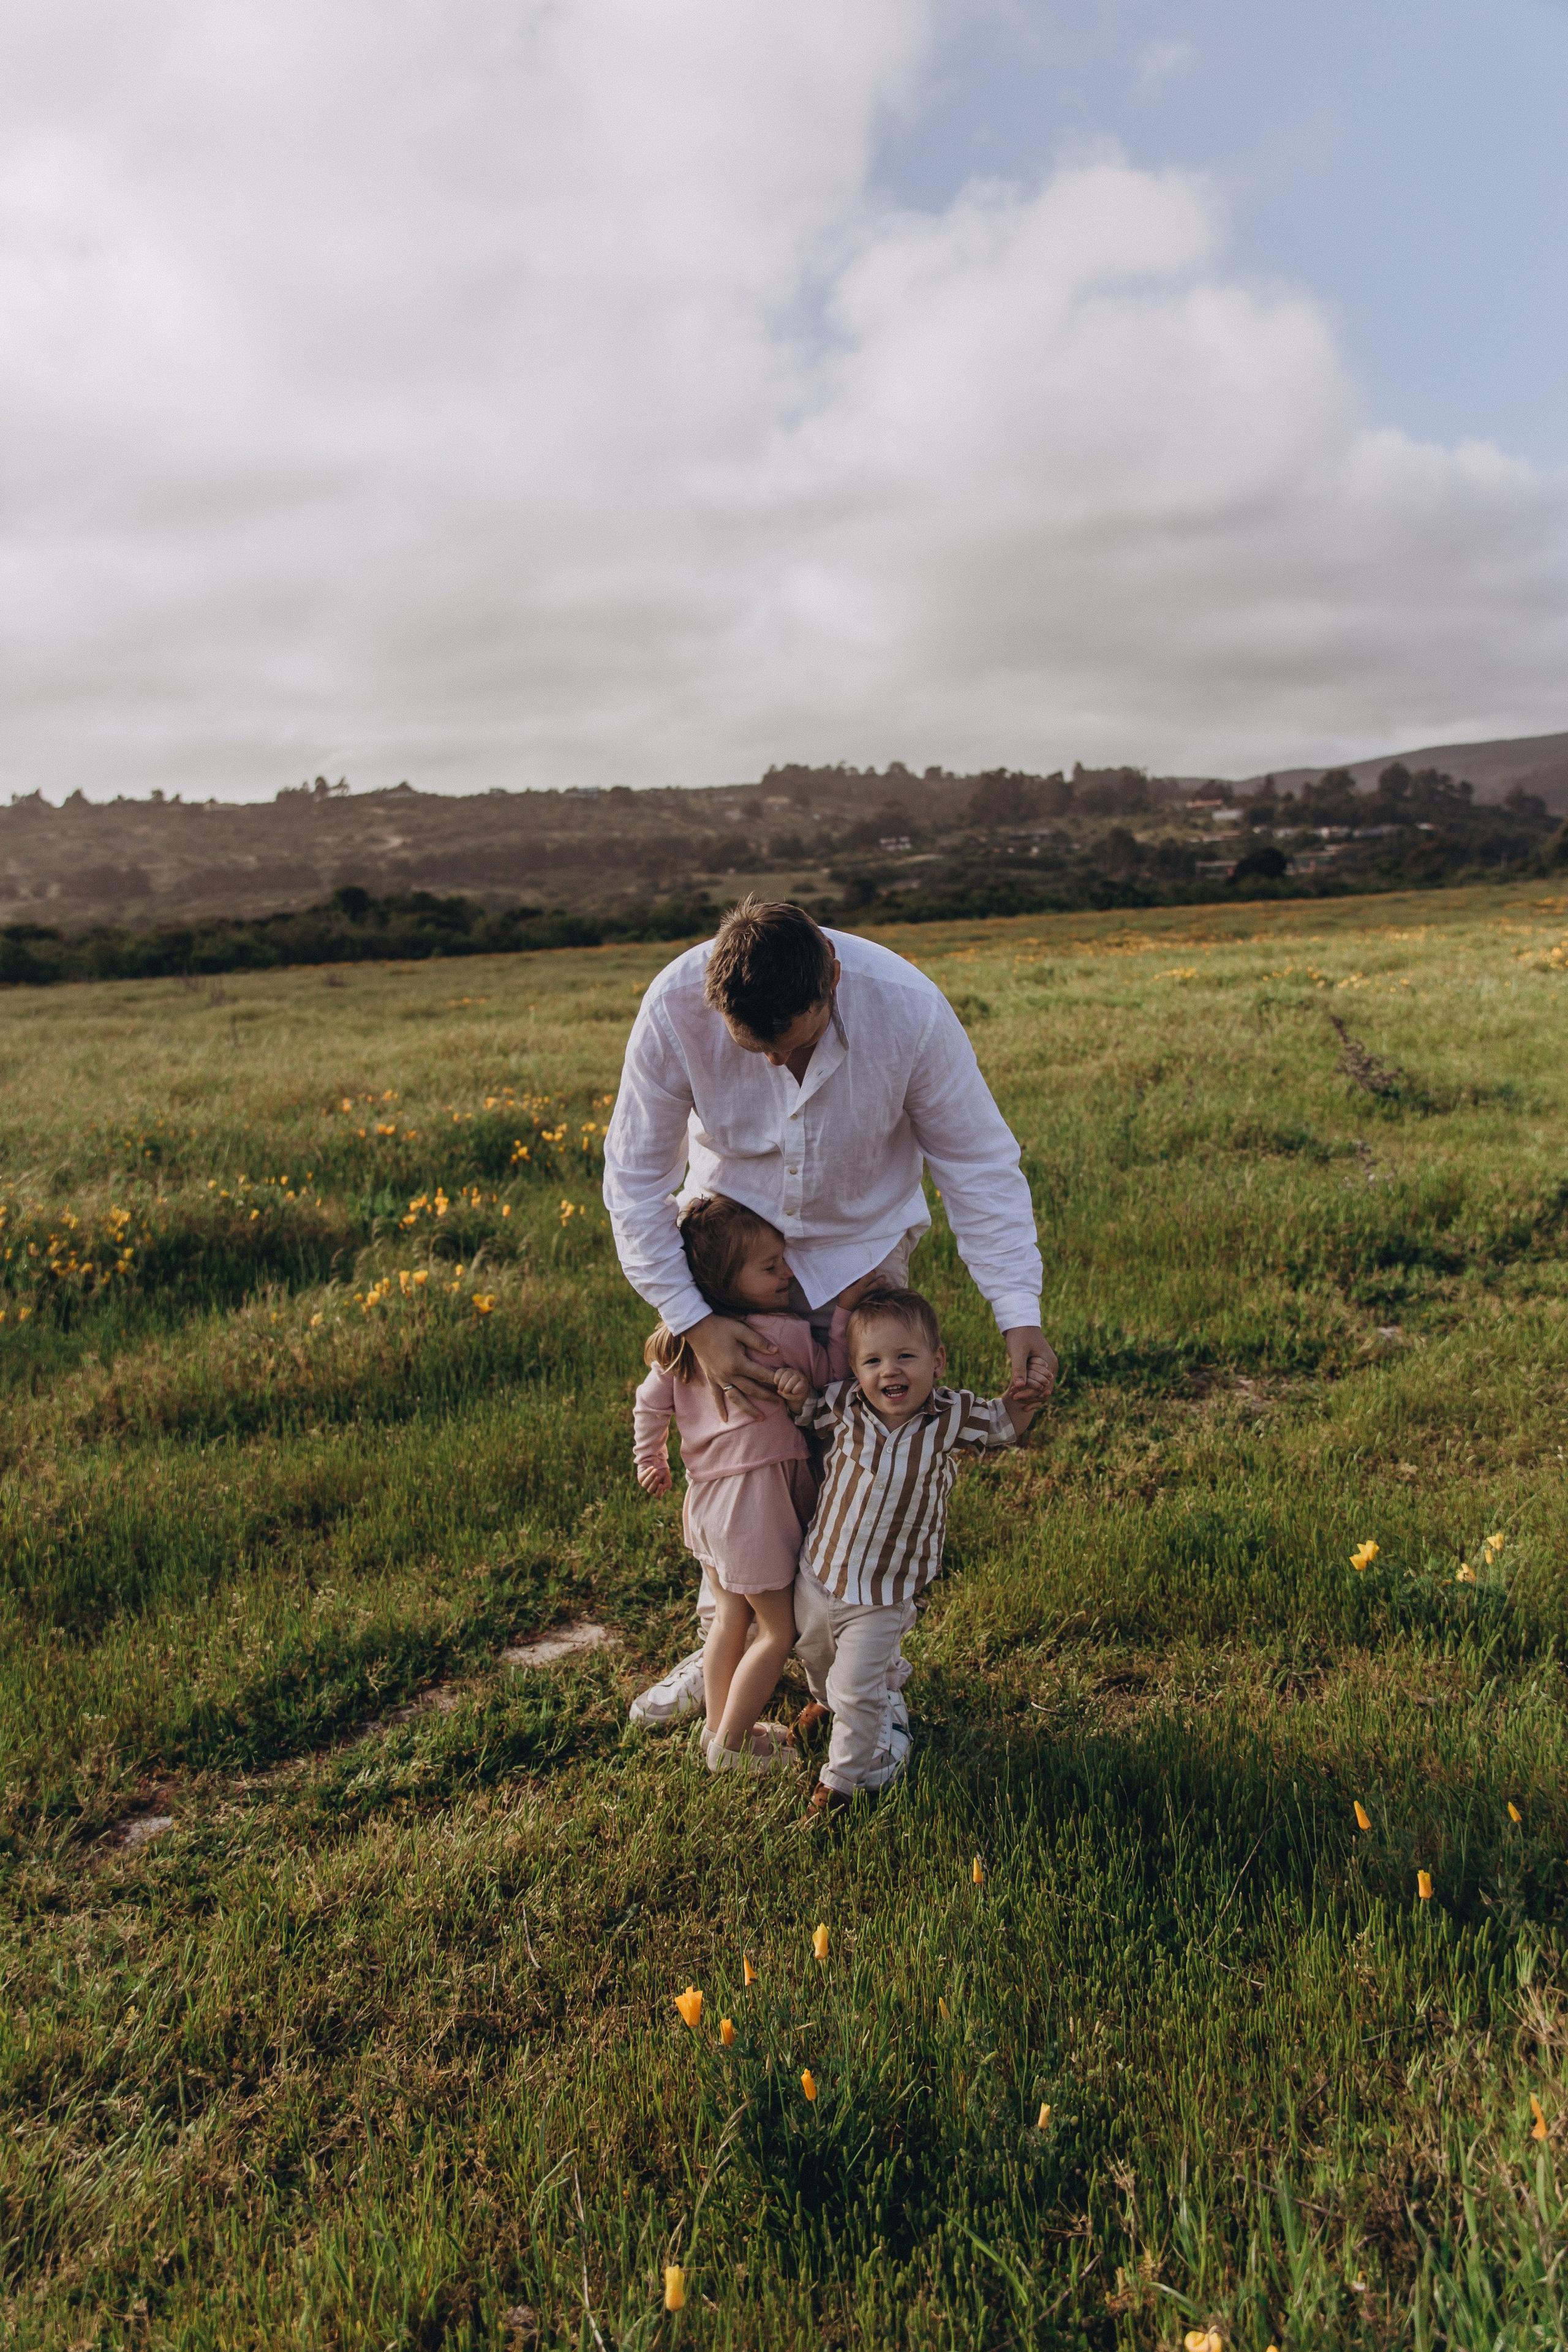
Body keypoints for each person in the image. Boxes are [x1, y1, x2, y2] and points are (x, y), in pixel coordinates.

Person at [604, 895, 1056, 1724]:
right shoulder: (673, 1008)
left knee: (855, 1474)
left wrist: (1017, 1310)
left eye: (797, 1042)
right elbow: (634, 1184)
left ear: (834, 981)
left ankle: (850, 1664)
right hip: (732, 1263)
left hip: (863, 1261)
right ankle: (728, 1642)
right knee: (739, 1470)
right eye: (755, 1048)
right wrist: (693, 1320)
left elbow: (979, 1164)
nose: (778, 1064)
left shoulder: (908, 1009)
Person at [774, 1285, 1039, 1812]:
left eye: (905, 1357)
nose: (889, 1371)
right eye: (873, 1361)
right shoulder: (845, 1406)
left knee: (858, 1686)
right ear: (855, 1370)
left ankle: (842, 1782)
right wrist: (795, 1390)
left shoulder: (950, 1416)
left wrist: (1025, 1397)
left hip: (884, 1592)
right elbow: (807, 1412)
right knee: (814, 1653)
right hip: (820, 1570)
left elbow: (1004, 1427)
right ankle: (825, 1704)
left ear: (937, 1362)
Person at [631, 1196, 855, 1771]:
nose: (788, 1274)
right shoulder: (779, 1334)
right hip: (756, 1504)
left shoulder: (686, 1343)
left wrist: (649, 1456)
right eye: (771, 1267)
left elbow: (649, 1403)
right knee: (776, 1632)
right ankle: (731, 1749)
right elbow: (831, 1372)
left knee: (732, 1617)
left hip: (707, 1501)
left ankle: (719, 1730)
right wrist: (848, 1311)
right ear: (728, 1281)